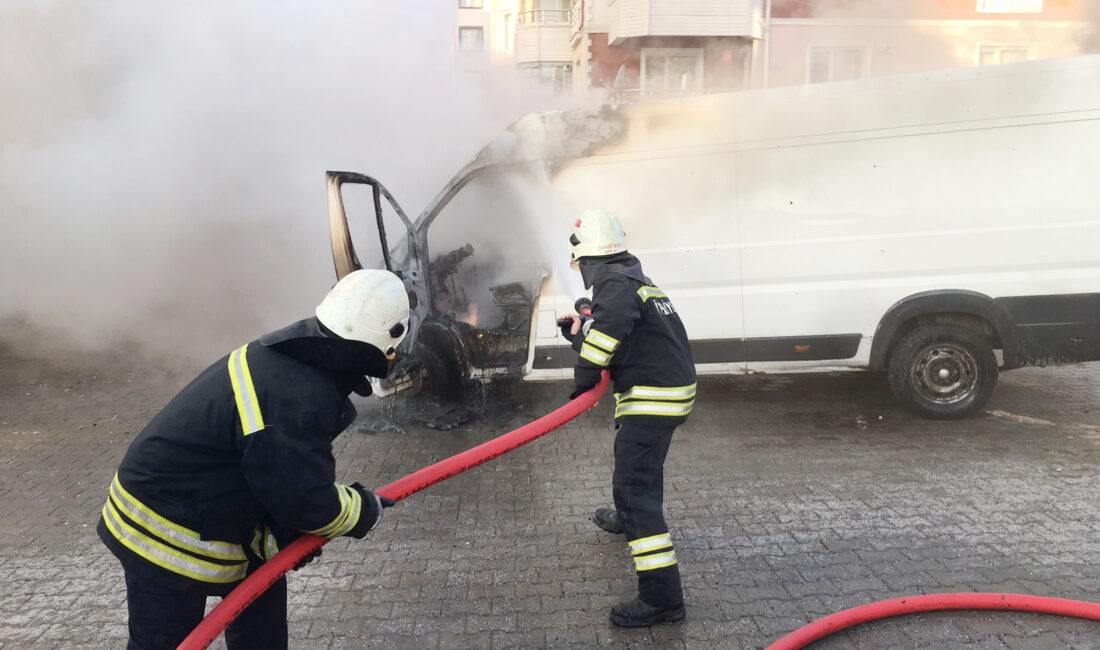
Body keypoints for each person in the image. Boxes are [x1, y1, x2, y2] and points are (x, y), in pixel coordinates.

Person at [96, 269, 409, 649]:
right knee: (165, 642)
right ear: (387, 340)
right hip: (165, 522)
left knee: (261, 618)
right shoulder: (297, 395)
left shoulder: (290, 357)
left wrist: (287, 535)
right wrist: (362, 510)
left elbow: (276, 479)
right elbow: (307, 502)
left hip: (211, 503)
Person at [559, 208, 696, 627]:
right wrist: (580, 335)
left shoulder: (614, 283)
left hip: (652, 398)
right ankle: (627, 516)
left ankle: (662, 600)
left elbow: (606, 339)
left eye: (579, 264)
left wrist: (581, 383)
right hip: (666, 392)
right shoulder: (631, 278)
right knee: (639, 474)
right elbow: (618, 336)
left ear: (587, 260)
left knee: (635, 488)